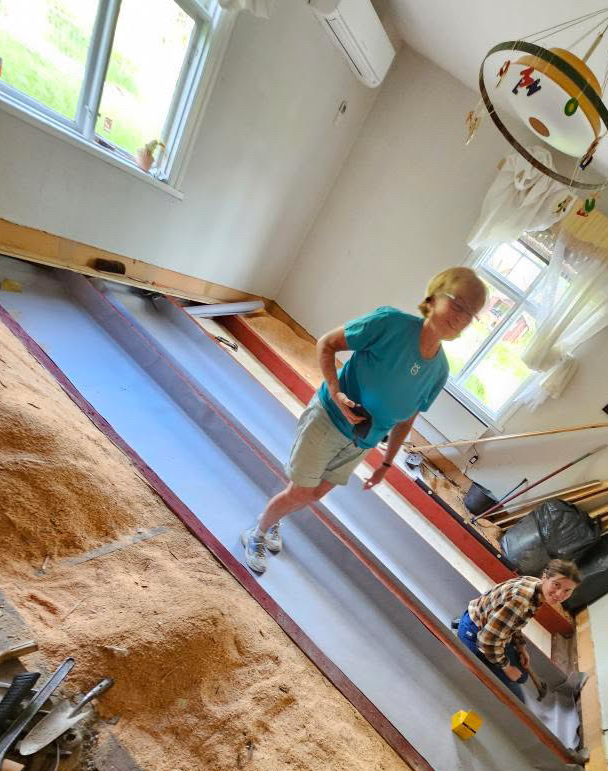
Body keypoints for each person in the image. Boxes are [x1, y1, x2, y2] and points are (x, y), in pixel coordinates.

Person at [242, 267, 487, 574]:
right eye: (458, 304)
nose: (461, 317)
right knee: (300, 491)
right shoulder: (391, 323)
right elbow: (326, 343)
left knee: (315, 494)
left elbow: (407, 418)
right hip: (329, 419)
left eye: (470, 314)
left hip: (362, 441)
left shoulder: (439, 371)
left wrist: (386, 462)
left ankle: (274, 519)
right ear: (436, 295)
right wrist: (336, 392)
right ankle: (258, 531)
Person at [455, 559, 581, 703]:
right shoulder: (521, 600)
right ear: (545, 577)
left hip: (489, 624)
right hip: (476, 634)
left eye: (567, 590)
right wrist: (506, 667)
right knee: (514, 692)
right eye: (556, 585)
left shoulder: (535, 585)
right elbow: (487, 641)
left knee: (521, 676)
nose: (559, 594)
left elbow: (514, 622)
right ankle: (461, 633)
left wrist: (521, 647)